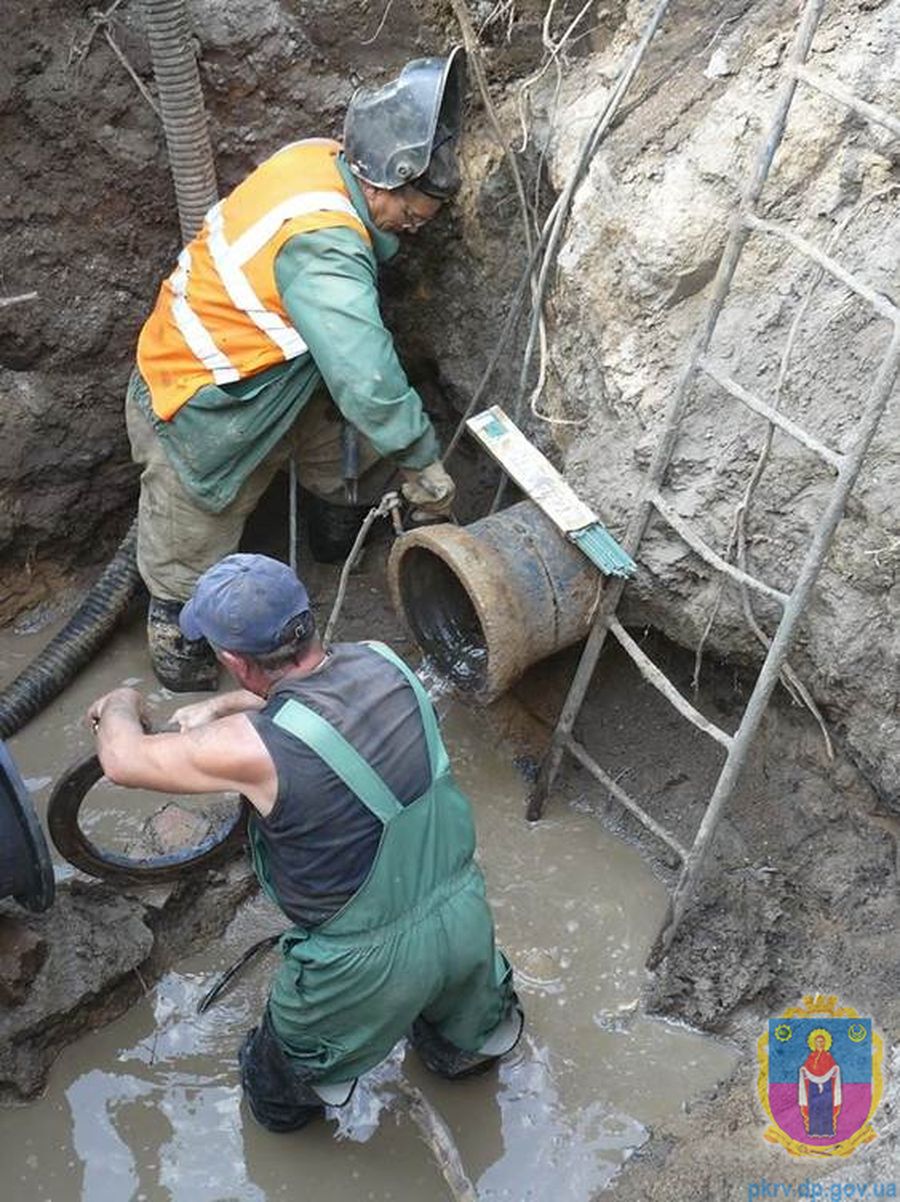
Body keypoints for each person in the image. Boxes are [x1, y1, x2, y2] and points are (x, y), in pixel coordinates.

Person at [88, 552, 523, 1132]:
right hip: (465, 913)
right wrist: (220, 709)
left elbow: (123, 761)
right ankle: (458, 1064)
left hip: (360, 966)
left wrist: (118, 704)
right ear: (306, 620)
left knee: (282, 1087)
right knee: (473, 1044)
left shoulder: (255, 751)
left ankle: (296, 1132)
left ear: (234, 661)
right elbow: (315, 705)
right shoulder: (383, 660)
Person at [129, 51, 466, 691]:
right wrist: (424, 463)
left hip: (276, 367)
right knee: (188, 555)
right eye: (419, 205)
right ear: (380, 183)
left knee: (348, 455)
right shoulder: (326, 246)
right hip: (203, 394)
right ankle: (187, 672)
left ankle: (338, 550)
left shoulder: (323, 157)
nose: (425, 220)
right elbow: (365, 376)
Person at [798, 1029, 841, 1137]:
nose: (820, 1044)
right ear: (814, 1043)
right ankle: (814, 1131)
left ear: (825, 1043)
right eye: (818, 1042)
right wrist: (803, 1070)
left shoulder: (828, 1057)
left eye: (822, 1042)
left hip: (826, 1086)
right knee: (815, 1108)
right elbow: (807, 1069)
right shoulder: (811, 1057)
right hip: (813, 1087)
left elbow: (833, 1069)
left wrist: (835, 1069)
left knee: (826, 1108)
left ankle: (827, 1131)